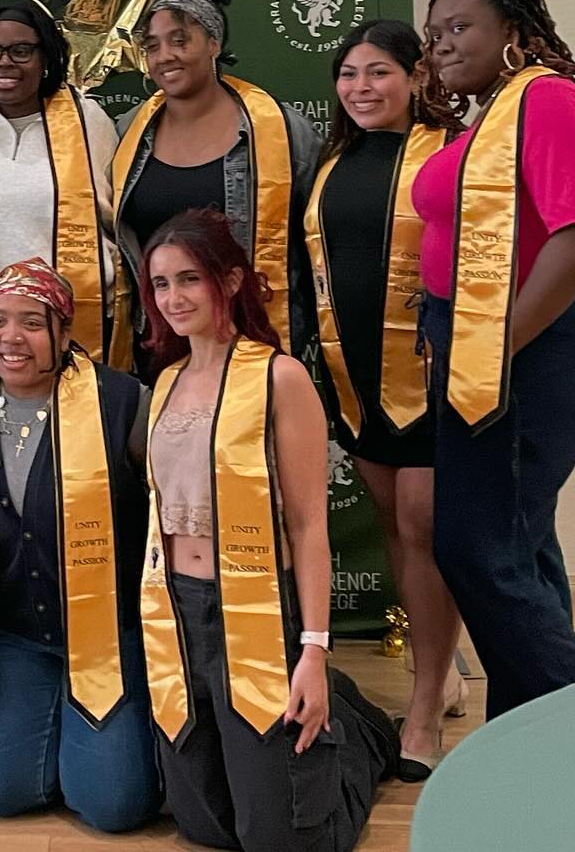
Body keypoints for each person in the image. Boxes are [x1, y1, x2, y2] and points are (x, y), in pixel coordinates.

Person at [141, 208, 397, 852]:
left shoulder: (278, 377)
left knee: (281, 840)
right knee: (205, 825)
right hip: (177, 610)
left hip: (253, 605)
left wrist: (313, 648)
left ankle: (362, 734)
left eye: (188, 280)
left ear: (229, 281)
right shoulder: (166, 380)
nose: (173, 298)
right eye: (161, 284)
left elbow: (311, 525)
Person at [0, 257, 159, 831]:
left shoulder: (123, 404)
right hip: (13, 637)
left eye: (32, 323)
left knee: (115, 806)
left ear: (65, 334)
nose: (11, 338)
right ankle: (58, 726)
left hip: (108, 634)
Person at [413, 0, 575, 721]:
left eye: (459, 26)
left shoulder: (546, 99)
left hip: (522, 349)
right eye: (434, 31)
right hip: (481, 344)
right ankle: (529, 745)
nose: (441, 43)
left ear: (512, 33)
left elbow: (572, 240)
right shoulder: (492, 116)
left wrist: (496, 347)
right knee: (519, 549)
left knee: (480, 549)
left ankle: (556, 731)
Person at [303, 21, 462, 776]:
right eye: (348, 74)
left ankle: (424, 703)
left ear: (416, 75)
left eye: (378, 73)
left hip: (433, 376)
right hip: (356, 377)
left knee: (423, 525)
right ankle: (446, 667)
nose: (361, 88)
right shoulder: (331, 162)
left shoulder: (450, 155)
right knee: (397, 533)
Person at [112, 0, 321, 378]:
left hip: (255, 336)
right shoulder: (127, 132)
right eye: (152, 47)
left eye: (179, 40)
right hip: (160, 339)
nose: (165, 56)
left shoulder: (282, 129)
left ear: (213, 43)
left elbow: (317, 240)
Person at [0, 3, 116, 374]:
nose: (4, 62)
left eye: (21, 51)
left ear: (45, 57)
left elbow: (117, 220)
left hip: (75, 324)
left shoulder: (88, 122)